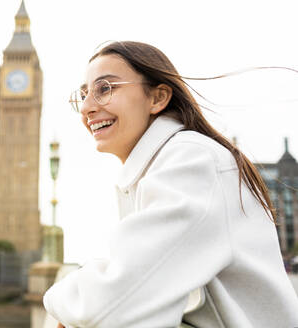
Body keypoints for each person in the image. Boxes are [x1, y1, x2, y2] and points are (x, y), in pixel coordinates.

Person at [43, 41, 298, 328]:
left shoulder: (191, 160)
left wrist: (54, 301)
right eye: (84, 94)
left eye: (105, 89)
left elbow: (116, 299)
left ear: (158, 98)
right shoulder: (157, 168)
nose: (87, 107)